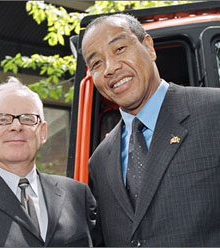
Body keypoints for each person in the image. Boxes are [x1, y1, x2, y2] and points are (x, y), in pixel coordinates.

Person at [82, 13, 220, 247]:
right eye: (96, 63)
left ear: (149, 47)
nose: (110, 68)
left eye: (119, 49)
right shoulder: (99, 160)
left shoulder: (214, 112)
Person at [0, 77, 96, 247]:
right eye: (2, 119)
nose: (16, 126)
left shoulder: (78, 195)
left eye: (27, 118)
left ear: (42, 132)